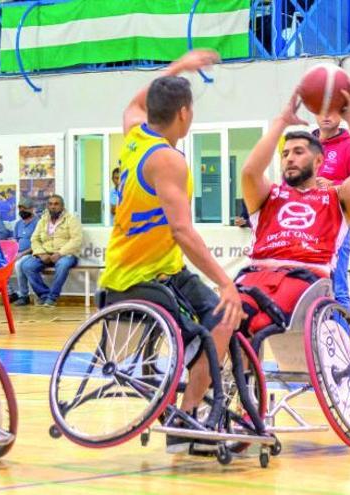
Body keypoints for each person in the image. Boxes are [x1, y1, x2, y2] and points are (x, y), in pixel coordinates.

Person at [97, 50, 244, 452]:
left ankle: (190, 412)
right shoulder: (167, 161)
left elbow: (135, 102)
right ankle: (186, 419)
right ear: (184, 113)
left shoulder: (133, 135)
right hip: (141, 277)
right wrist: (226, 280)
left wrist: (179, 67)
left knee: (224, 319)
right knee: (217, 319)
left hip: (157, 269)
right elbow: (183, 231)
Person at [239, 89, 350, 336]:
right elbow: (249, 172)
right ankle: (230, 373)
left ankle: (341, 340)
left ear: (318, 162)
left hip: (303, 279)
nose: (289, 159)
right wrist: (280, 122)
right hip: (256, 275)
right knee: (219, 322)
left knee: (257, 324)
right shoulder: (268, 195)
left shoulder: (336, 198)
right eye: (285, 154)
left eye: (298, 152)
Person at [314, 106, 350, 310]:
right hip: (308, 229)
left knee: (339, 289)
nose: (326, 116)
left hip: (337, 227)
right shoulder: (306, 144)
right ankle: (317, 340)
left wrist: (334, 186)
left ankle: (342, 339)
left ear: (340, 114)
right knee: (310, 290)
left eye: (331, 111)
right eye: (321, 111)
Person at [20, 194, 82, 307]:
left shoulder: (71, 219)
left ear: (62, 206)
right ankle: (44, 295)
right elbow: (34, 239)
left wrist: (60, 253)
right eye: (50, 204)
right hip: (46, 254)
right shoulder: (43, 220)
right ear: (47, 206)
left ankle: (52, 298)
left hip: (66, 254)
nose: (53, 206)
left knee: (63, 265)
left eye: (56, 204)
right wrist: (41, 253)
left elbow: (76, 240)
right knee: (27, 266)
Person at [10, 197, 39, 305]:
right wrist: (13, 252)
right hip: (18, 253)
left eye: (24, 208)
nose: (22, 211)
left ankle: (24, 295)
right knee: (1, 263)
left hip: (32, 253)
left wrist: (22, 253)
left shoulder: (38, 222)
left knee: (18, 265)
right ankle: (10, 293)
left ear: (31, 209)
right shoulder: (18, 224)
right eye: (20, 208)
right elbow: (15, 240)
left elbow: (38, 244)